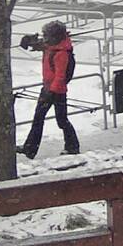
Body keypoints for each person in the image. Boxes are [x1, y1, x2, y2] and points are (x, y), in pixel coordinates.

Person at [16, 21, 79, 158]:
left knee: (61, 121)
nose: (44, 38)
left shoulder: (61, 53)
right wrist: (28, 41)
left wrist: (52, 92)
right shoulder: (52, 46)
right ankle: (29, 148)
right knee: (39, 118)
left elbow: (60, 76)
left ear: (55, 36)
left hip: (57, 91)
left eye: (47, 35)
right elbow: (40, 45)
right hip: (48, 88)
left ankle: (72, 146)